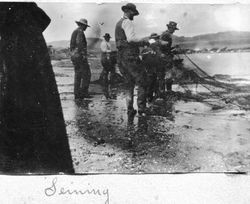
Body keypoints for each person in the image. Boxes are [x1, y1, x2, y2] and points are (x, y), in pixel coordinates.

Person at [0, 2, 74, 173]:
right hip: (31, 46)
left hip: (14, 49)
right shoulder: (28, 9)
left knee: (14, 101)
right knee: (40, 102)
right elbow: (44, 19)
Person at [115, 3, 149, 116]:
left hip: (121, 57)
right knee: (143, 81)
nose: (134, 16)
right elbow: (131, 39)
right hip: (130, 56)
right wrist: (144, 41)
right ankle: (142, 110)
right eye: (133, 13)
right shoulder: (127, 22)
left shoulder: (118, 23)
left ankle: (130, 109)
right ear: (128, 11)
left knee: (128, 83)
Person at [70, 18, 91, 99]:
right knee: (87, 74)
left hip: (74, 56)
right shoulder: (80, 32)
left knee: (78, 74)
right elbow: (79, 43)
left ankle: (77, 93)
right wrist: (83, 55)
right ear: (82, 25)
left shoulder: (76, 31)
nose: (86, 27)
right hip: (79, 56)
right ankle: (84, 93)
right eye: (85, 26)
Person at [159, 21, 179, 95]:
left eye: (174, 29)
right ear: (169, 28)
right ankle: (167, 91)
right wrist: (172, 51)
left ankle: (164, 91)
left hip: (163, 57)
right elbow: (163, 47)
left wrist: (173, 48)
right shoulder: (166, 35)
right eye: (173, 29)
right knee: (168, 74)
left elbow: (165, 48)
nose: (174, 31)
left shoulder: (165, 34)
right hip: (165, 58)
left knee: (164, 75)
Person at [141, 33, 161, 102]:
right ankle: (149, 99)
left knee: (153, 84)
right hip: (149, 70)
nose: (156, 40)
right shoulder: (148, 50)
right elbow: (145, 60)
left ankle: (151, 99)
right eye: (156, 39)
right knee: (150, 85)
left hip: (153, 69)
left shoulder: (153, 49)